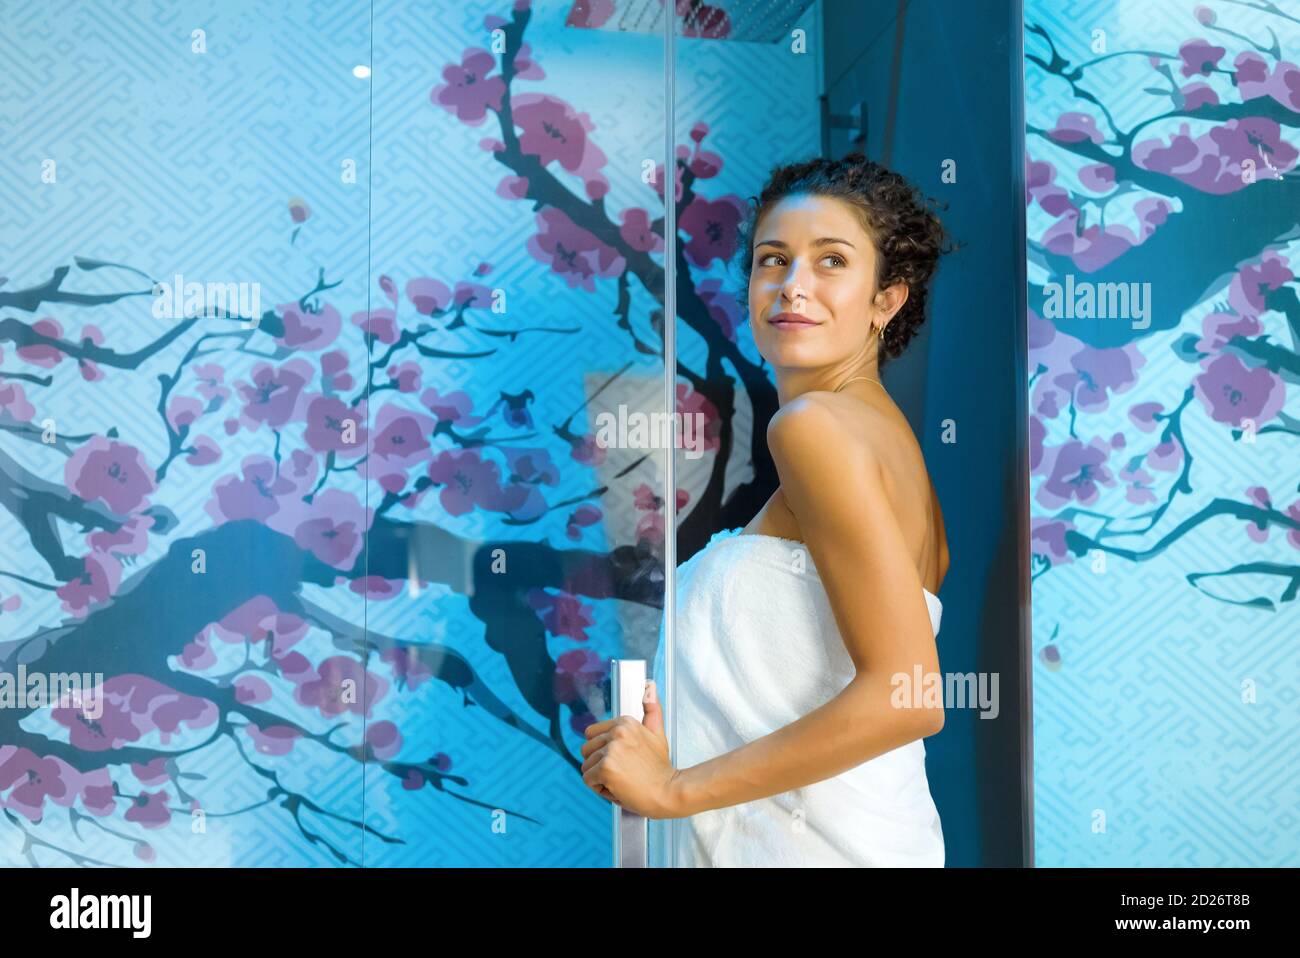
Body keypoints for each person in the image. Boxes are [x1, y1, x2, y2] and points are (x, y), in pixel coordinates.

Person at [582, 152, 953, 866]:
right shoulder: (889, 448)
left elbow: (910, 697)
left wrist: (672, 788)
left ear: (888, 299)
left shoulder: (812, 428)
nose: (792, 286)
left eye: (832, 261)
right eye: (772, 259)